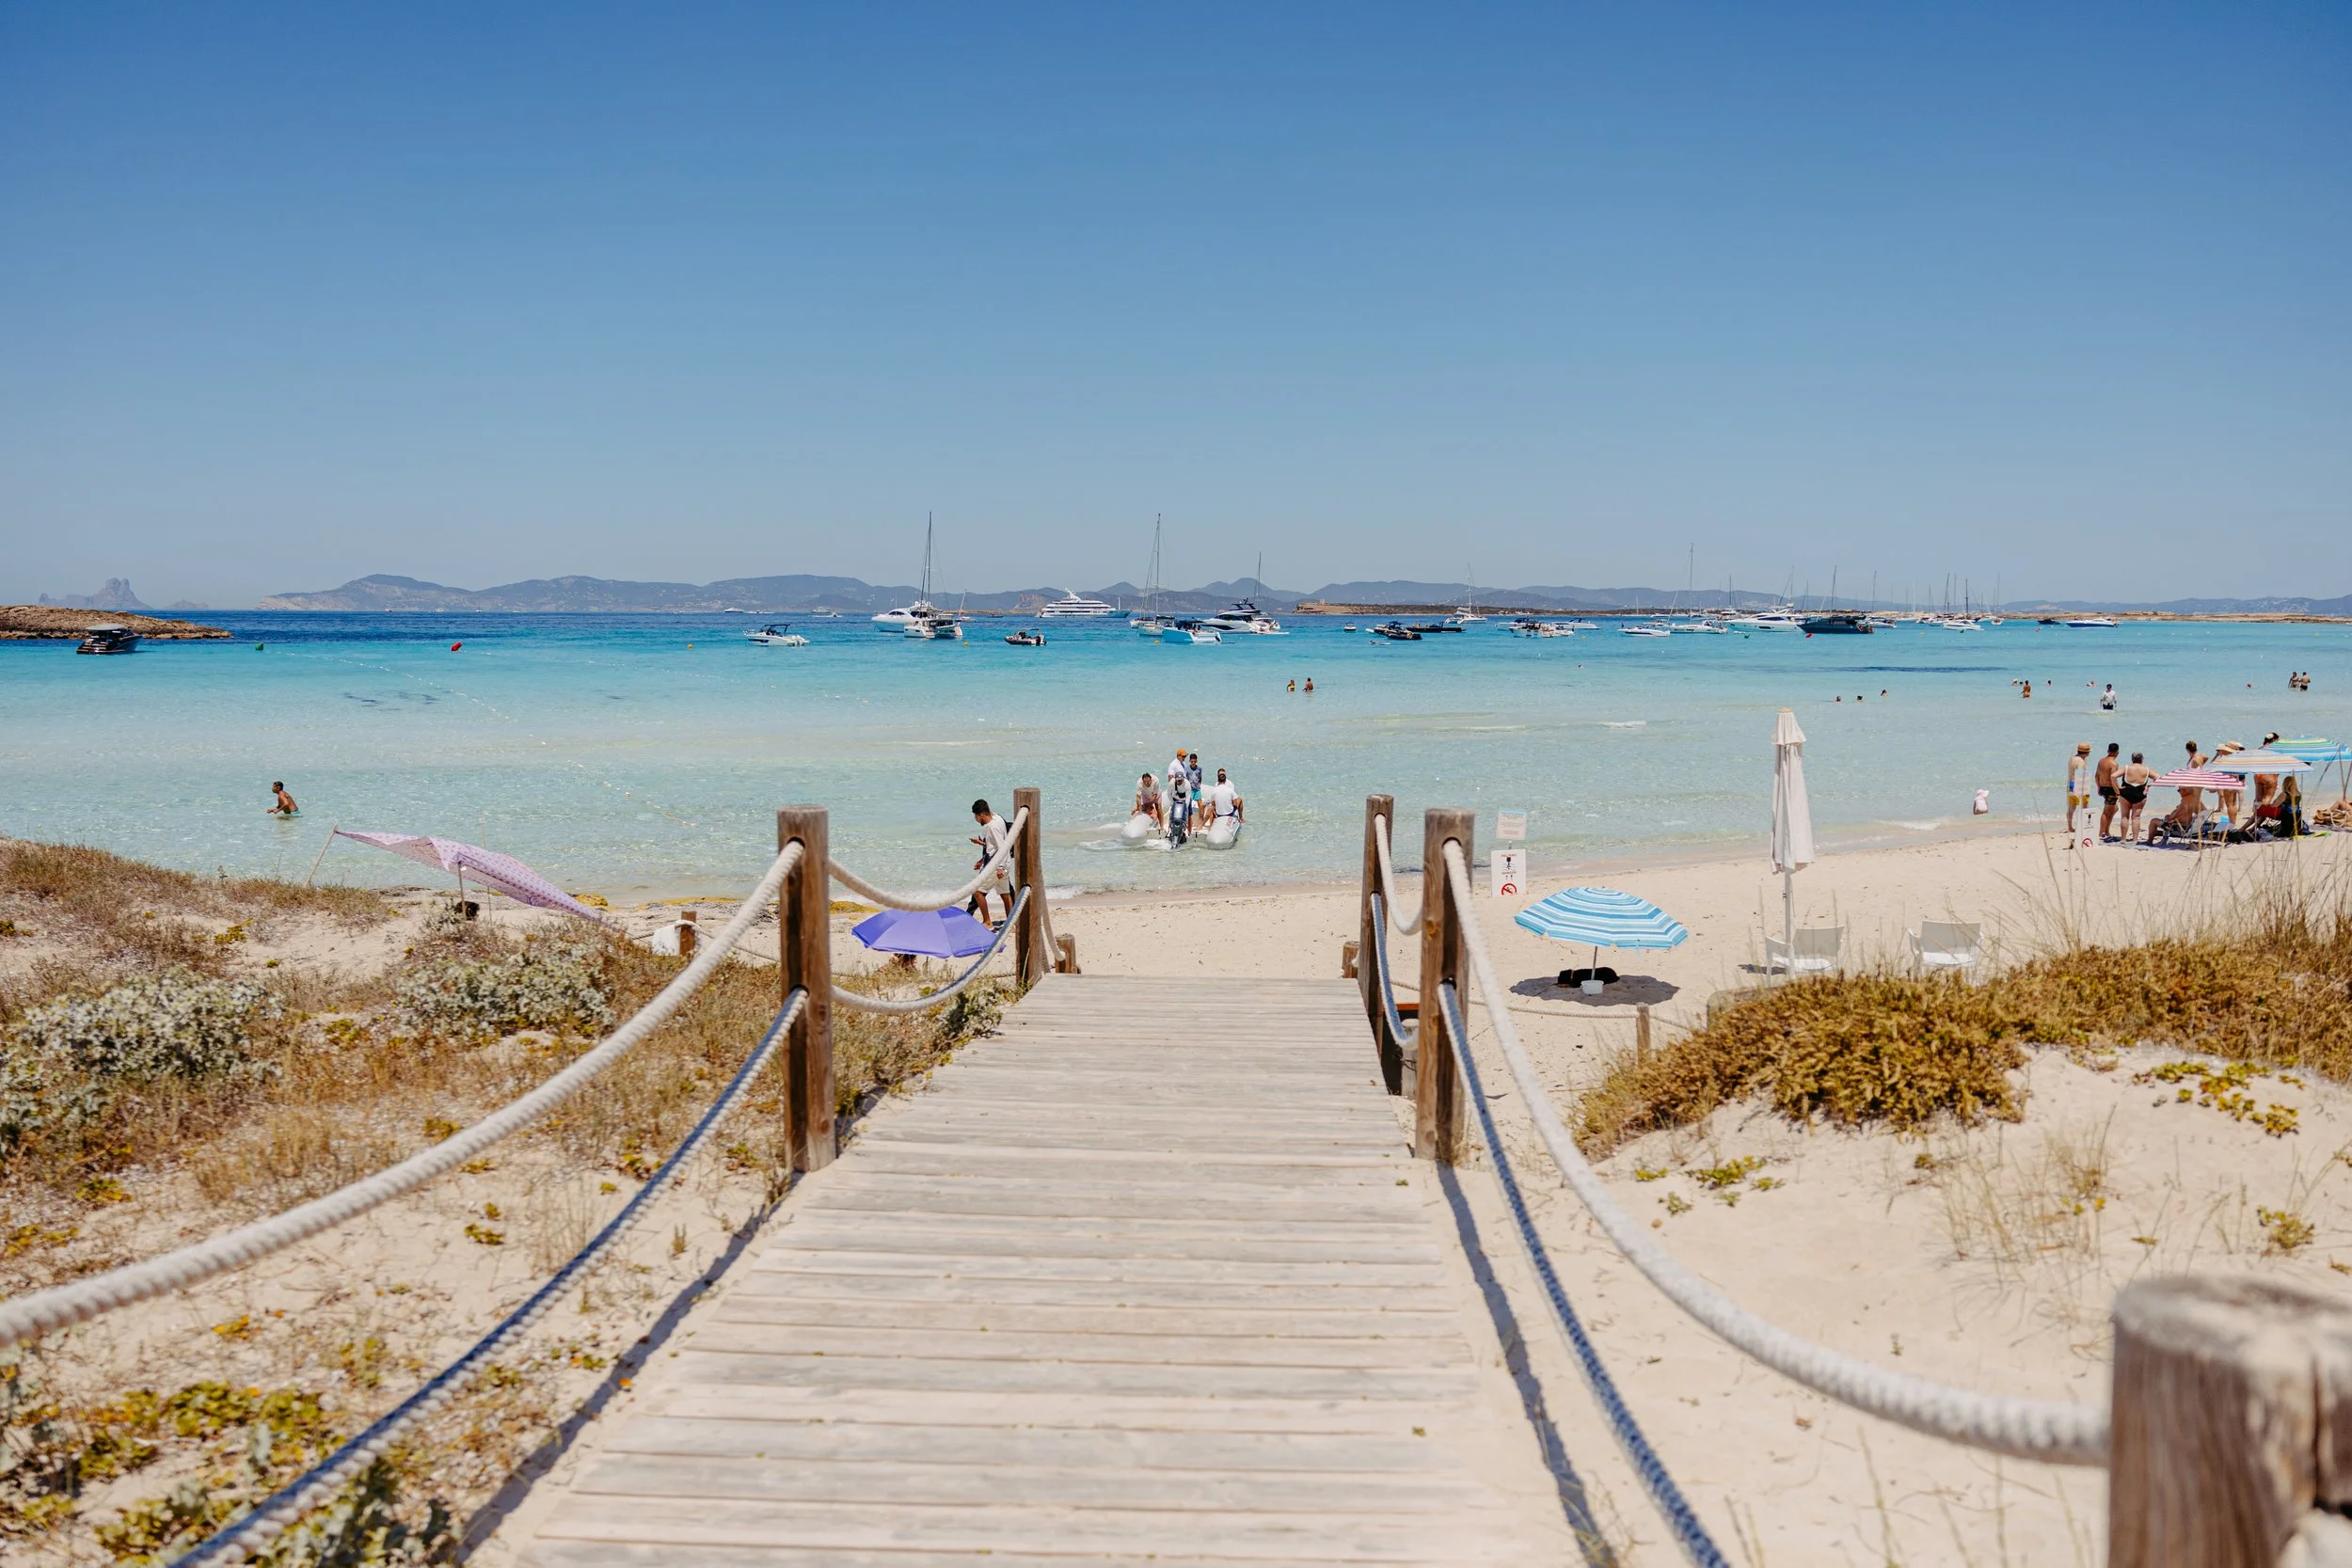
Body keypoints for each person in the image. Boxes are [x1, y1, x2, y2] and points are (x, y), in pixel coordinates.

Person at [966, 799, 1012, 926]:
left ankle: (987, 921)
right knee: (1005, 894)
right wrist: (981, 855)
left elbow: (1001, 847)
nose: (976, 819)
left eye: (976, 816)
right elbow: (995, 844)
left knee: (977, 891)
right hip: (1005, 862)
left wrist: (1000, 867)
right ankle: (1011, 923)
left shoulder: (992, 827)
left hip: (997, 863)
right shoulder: (998, 818)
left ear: (981, 814)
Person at [2120, 752, 2152, 842]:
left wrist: (2117, 788)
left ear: (2132, 759)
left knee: (2124, 816)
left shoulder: (2126, 768)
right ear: (2142, 759)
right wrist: (2148, 786)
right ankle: (2134, 840)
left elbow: (2113, 776)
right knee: (2136, 817)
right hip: (2139, 794)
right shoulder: (2146, 769)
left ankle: (2123, 839)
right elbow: (2158, 777)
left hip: (2125, 793)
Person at [2095, 743, 2122, 840]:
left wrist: (2099, 788)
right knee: (2107, 811)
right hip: (2110, 789)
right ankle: (2102, 833)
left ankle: (2106, 831)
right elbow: (2113, 779)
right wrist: (2117, 792)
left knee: (2114, 809)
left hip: (2103, 787)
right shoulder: (2114, 763)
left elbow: (2096, 776)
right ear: (2117, 752)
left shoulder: (2101, 761)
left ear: (2108, 751)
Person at [2065, 744, 2092, 835]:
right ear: (2087, 752)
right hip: (2079, 784)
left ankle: (2069, 826)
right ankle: (2084, 825)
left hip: (2071, 784)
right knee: (2085, 805)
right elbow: (2080, 774)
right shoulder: (2081, 761)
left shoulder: (2072, 759)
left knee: (2072, 806)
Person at [1166, 764, 1192, 847]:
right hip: (1175, 800)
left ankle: (1189, 832)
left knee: (1189, 815)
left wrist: (1185, 807)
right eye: (1178, 780)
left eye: (1181, 780)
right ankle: (1171, 831)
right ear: (1175, 780)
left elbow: (1188, 797)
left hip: (1185, 801)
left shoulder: (1187, 784)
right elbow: (1168, 794)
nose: (1180, 782)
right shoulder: (1171, 783)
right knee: (1172, 815)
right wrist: (1173, 803)